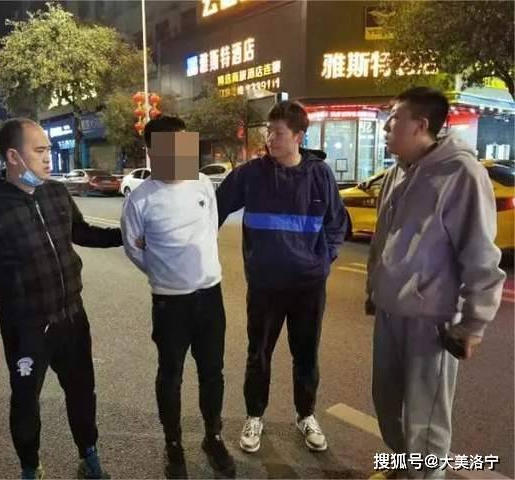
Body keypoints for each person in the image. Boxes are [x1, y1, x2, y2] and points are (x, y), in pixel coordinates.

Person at [0, 118, 122, 479]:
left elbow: (82, 233)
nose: (49, 157)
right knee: (25, 401)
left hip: (72, 317)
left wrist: (126, 235)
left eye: (48, 149)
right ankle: (30, 466)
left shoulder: (55, 193)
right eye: (40, 150)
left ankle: (89, 453)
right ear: (13, 156)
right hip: (26, 328)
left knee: (82, 392)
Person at [366, 87, 505, 479]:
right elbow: (381, 240)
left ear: (420, 125)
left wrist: (472, 325)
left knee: (425, 418)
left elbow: (480, 254)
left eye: (394, 120)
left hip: (432, 319)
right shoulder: (397, 172)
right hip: (390, 311)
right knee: (387, 402)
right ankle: (403, 466)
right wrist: (373, 289)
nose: (386, 129)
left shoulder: (461, 173)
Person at [216, 100, 347, 454]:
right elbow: (213, 208)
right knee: (258, 354)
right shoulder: (252, 174)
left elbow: (337, 222)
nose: (270, 139)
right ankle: (254, 416)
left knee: (306, 354)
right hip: (265, 286)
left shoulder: (320, 175)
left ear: (298, 136)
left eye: (277, 133)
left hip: (308, 286)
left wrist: (324, 259)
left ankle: (306, 415)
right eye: (268, 132)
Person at [121, 115, 236, 479]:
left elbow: (210, 228)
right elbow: (133, 248)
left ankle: (213, 436)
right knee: (170, 376)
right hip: (170, 303)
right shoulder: (140, 199)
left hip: (210, 296)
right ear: (152, 152)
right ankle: (173, 444)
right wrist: (163, 273)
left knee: (212, 372)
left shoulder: (202, 184)